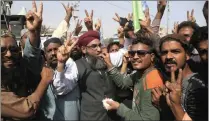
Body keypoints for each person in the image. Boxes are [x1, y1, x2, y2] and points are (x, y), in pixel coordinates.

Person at [1, 1, 49, 120]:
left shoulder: (18, 69)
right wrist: (45, 80)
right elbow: (26, 110)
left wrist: (33, 31)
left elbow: (30, 56)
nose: (8, 54)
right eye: (2, 50)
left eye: (13, 49)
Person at [102, 35, 164, 120]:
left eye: (141, 53)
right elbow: (123, 82)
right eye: (132, 53)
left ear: (152, 56)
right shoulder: (140, 74)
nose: (135, 57)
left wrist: (119, 107)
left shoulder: (152, 80)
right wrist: (109, 63)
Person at [152, 34, 208, 120]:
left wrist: (175, 105)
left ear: (187, 55)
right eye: (164, 52)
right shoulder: (170, 80)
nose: (168, 57)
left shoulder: (196, 86)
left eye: (175, 51)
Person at [39, 36, 80, 120]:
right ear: (45, 55)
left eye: (56, 49)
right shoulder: (43, 71)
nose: (53, 53)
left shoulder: (71, 65)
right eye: (49, 51)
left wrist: (60, 63)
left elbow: (61, 88)